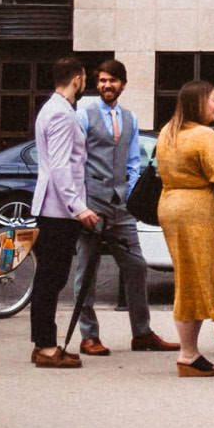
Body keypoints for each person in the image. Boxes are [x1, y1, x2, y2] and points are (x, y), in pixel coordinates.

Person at [70, 60, 177, 357]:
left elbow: (133, 162)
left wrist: (129, 194)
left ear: (123, 85)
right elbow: (74, 161)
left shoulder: (129, 118)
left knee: (136, 266)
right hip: (91, 203)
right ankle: (88, 336)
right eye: (102, 80)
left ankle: (142, 333)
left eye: (113, 81)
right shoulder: (84, 114)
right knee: (86, 272)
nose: (107, 85)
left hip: (121, 206)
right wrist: (79, 205)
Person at [155, 78, 214, 377]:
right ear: (199, 103)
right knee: (196, 280)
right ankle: (188, 354)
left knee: (186, 276)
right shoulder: (205, 136)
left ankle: (189, 351)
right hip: (198, 212)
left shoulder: (168, 131)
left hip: (170, 204)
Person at [30, 57, 100, 368]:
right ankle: (45, 347)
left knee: (49, 277)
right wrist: (78, 207)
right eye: (85, 78)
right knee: (51, 278)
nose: (86, 83)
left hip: (54, 207)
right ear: (77, 79)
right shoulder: (60, 113)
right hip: (58, 210)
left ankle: (44, 343)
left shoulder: (53, 108)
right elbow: (60, 166)